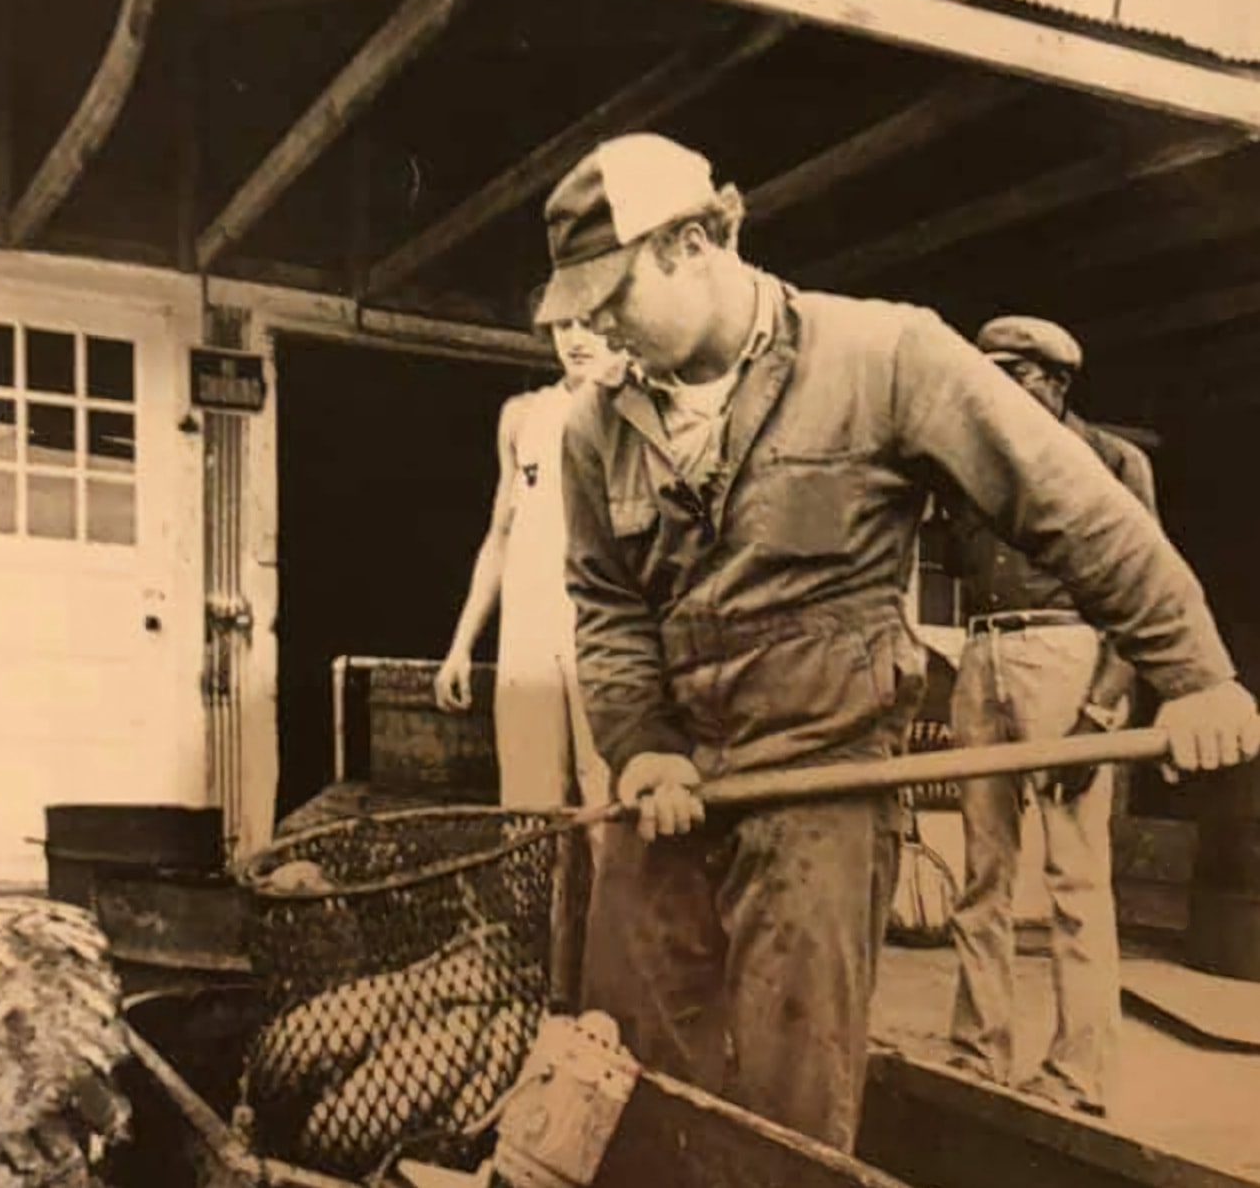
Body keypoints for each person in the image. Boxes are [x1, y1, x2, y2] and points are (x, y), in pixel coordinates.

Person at [534, 130, 1260, 1155]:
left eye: (613, 294)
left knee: (790, 1103)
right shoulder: (592, 427)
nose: (597, 326)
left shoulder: (883, 357)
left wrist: (1194, 674)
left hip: (819, 787)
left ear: (695, 242)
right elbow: (605, 604)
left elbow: (1072, 509)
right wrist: (639, 744)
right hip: (671, 794)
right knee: (634, 1078)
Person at [944, 316, 1155, 1117]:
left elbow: (1145, 596)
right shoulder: (971, 464)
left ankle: (1078, 1077)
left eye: (1017, 372)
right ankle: (978, 1051)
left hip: (1064, 657)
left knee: (1074, 883)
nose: (999, 384)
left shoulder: (1110, 461)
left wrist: (1101, 708)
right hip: (980, 656)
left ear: (1057, 381)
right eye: (989, 369)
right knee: (982, 878)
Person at [434, 304, 621, 812]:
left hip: (601, 625)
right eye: (563, 325)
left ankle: (607, 896)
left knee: (608, 799)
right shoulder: (521, 415)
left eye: (588, 321)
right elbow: (500, 535)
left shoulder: (633, 407)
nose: (576, 338)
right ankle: (544, 896)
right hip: (529, 626)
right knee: (528, 801)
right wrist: (461, 645)